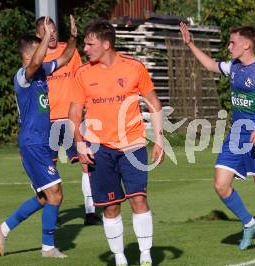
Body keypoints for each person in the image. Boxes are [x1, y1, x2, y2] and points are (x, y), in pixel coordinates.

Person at [69, 19, 164, 266]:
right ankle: (120, 257)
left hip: (132, 145)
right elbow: (74, 113)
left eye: (90, 44)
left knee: (138, 199)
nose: (85, 49)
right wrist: (79, 143)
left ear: (106, 44)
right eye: (85, 44)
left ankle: (145, 255)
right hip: (98, 149)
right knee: (110, 207)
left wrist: (160, 139)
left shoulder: (134, 68)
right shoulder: (82, 73)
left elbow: (154, 103)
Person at [180, 22, 255, 252]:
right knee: (220, 184)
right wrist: (190, 43)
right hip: (236, 136)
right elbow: (212, 66)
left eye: (233, 42)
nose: (229, 46)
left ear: (247, 44)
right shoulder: (233, 67)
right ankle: (249, 223)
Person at [0, 16, 77, 258]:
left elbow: (65, 58)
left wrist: (71, 38)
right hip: (33, 143)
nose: (44, 53)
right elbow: (37, 61)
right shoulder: (23, 76)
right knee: (56, 194)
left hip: (40, 142)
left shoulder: (41, 71)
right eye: (38, 49)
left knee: (44, 197)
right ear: (28, 56)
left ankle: (3, 229)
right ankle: (48, 248)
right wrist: (44, 37)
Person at [35, 16, 102, 226]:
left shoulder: (69, 51)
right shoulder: (36, 58)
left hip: (72, 118)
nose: (52, 34)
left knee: (87, 162)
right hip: (48, 122)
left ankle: (91, 213)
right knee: (47, 171)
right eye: (46, 31)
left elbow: (82, 77)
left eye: (53, 30)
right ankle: (51, 214)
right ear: (39, 36)